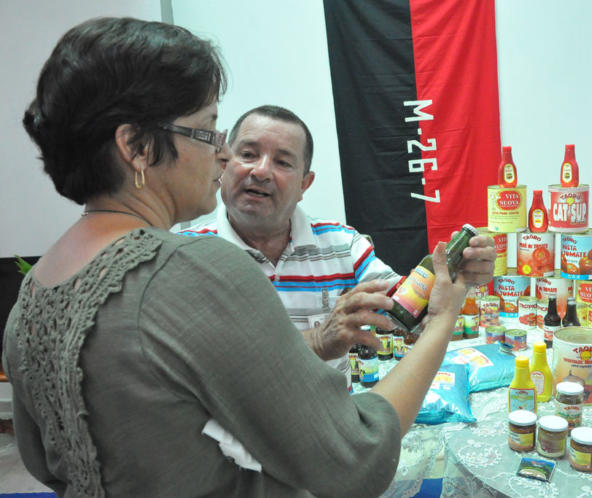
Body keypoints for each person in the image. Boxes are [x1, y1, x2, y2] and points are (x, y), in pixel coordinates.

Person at [2, 17, 468, 497]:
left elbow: (45, 462)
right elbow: (355, 457)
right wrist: (442, 321)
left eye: (282, 161)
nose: (223, 158)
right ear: (136, 147)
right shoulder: (195, 268)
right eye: (207, 133)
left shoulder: (33, 294)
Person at [182, 105, 497, 387]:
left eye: (282, 162)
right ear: (224, 164)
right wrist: (318, 340)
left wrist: (459, 276)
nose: (261, 171)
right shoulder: (184, 257)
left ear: (305, 184)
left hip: (334, 434)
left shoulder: (343, 245)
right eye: (248, 155)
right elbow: (202, 365)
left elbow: (407, 313)